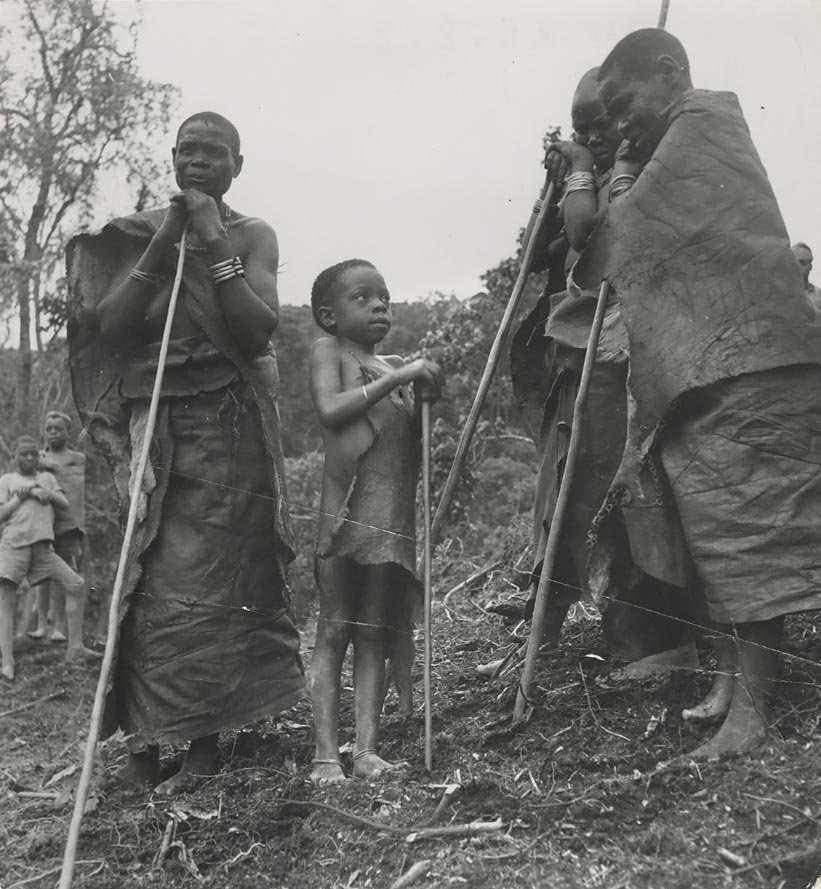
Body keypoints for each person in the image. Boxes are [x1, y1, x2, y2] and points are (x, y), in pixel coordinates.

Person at [575, 29, 821, 758]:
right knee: (718, 535)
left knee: (749, 538)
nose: (620, 121)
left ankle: (752, 714)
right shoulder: (670, 138)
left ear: (669, 71)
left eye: (624, 102)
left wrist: (617, 169)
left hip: (752, 363)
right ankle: (732, 687)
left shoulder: (706, 121)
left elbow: (615, 235)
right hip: (714, 368)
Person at [67, 112, 304, 792]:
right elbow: (110, 328)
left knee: (223, 581)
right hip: (156, 428)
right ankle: (145, 743)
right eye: (188, 150)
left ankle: (204, 743)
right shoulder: (138, 234)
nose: (198, 161)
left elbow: (255, 330)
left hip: (228, 430)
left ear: (237, 165)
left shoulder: (251, 234)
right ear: (171, 157)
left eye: (214, 152)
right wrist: (170, 235)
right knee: (147, 579)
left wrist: (211, 238)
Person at [509, 68, 701, 675]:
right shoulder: (587, 176)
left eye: (601, 121)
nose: (590, 133)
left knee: (619, 495)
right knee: (562, 492)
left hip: (624, 359)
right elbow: (540, 253)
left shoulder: (637, 170)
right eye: (580, 124)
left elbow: (588, 234)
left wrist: (582, 168)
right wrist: (558, 183)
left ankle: (657, 644)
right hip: (575, 357)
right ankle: (541, 632)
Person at [308, 259, 443, 784]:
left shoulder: (393, 366)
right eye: (362, 297)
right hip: (344, 518)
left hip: (390, 520)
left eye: (383, 295)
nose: (379, 304)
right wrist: (403, 378)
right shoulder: (329, 351)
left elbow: (411, 443)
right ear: (329, 316)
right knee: (335, 628)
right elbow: (330, 409)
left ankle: (366, 751)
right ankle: (325, 756)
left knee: (373, 633)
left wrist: (425, 396)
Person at [0, 436, 88, 680]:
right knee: (6, 600)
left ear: (39, 456)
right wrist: (23, 495)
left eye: (33, 453)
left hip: (43, 550)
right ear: (14, 457)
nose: (29, 457)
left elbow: (64, 503)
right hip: (14, 547)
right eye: (24, 454)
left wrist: (43, 491)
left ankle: (75, 648)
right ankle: (7, 661)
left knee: (76, 584)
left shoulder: (47, 478)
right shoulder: (7, 480)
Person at [28, 411, 86, 645]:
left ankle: (59, 627)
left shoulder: (77, 458)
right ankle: (42, 625)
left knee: (64, 575)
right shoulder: (37, 458)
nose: (52, 433)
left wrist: (53, 467)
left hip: (67, 525)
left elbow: (75, 488)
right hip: (43, 524)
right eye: (48, 429)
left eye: (58, 428)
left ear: (68, 432)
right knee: (42, 574)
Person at [791, 242, 821, 313]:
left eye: (803, 263)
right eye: (795, 263)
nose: (798, 267)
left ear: (810, 266)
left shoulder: (819, 295)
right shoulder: (782, 295)